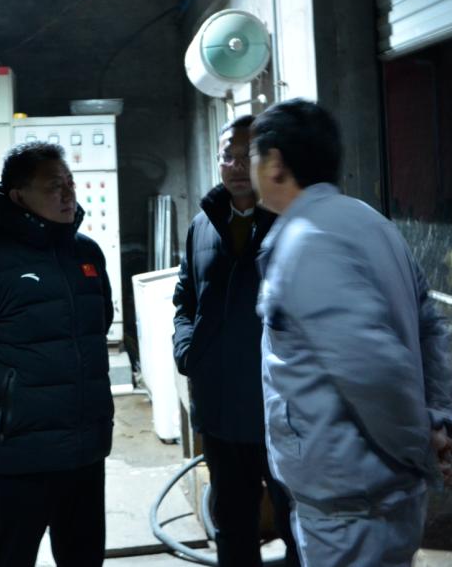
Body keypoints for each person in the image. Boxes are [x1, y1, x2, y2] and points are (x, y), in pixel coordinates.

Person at [249, 99, 452, 567]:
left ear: (276, 163)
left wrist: (420, 445)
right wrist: (436, 418)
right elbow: (430, 327)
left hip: (352, 506)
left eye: (253, 156)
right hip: (378, 495)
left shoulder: (306, 243)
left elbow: (374, 370)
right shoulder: (370, 221)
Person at [0, 141, 114, 567]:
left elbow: (96, 327)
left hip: (84, 451)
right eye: (53, 186)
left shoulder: (86, 254)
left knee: (85, 559)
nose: (67, 194)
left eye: (70, 183)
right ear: (18, 196)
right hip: (15, 459)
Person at [172, 114, 298, 566]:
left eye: (248, 155)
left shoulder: (289, 222)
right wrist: (188, 351)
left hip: (279, 408)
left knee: (295, 522)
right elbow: (185, 298)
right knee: (232, 523)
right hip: (221, 407)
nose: (237, 165)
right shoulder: (202, 225)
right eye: (229, 155)